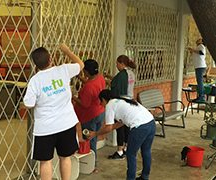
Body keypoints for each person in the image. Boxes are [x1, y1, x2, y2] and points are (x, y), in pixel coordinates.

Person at [23, 44, 84, 180]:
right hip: (66, 124)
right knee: (65, 157)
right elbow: (80, 64)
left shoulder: (35, 80)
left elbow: (28, 104)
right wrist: (67, 51)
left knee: (45, 161)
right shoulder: (63, 70)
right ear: (50, 60)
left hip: (45, 128)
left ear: (36, 65)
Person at [86, 89, 156, 180]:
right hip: (151, 123)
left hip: (139, 128)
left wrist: (95, 133)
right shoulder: (124, 99)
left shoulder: (110, 105)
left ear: (103, 99)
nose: (101, 104)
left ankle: (130, 178)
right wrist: (107, 129)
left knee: (131, 155)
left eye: (101, 102)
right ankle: (145, 177)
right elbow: (121, 122)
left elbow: (108, 128)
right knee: (146, 151)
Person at [72, 59, 105, 173]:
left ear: (86, 72)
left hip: (90, 117)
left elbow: (85, 104)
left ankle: (92, 166)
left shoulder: (89, 87)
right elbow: (92, 84)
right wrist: (81, 79)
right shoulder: (100, 78)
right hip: (100, 112)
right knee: (93, 139)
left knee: (90, 140)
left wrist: (74, 98)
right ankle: (91, 164)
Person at [105, 55, 136, 159]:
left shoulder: (122, 74)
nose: (116, 66)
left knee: (119, 127)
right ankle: (126, 148)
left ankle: (119, 151)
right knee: (126, 126)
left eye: (117, 64)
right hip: (130, 101)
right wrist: (111, 77)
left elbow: (115, 87)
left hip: (122, 103)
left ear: (122, 64)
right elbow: (122, 82)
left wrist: (106, 81)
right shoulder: (130, 73)